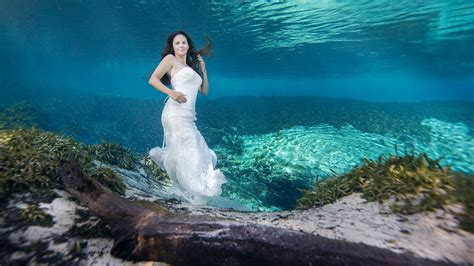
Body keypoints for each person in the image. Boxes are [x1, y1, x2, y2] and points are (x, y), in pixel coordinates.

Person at [147, 30, 226, 204]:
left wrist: (203, 69)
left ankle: (190, 191)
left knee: (198, 150)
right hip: (174, 114)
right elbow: (153, 79)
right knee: (192, 151)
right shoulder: (170, 60)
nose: (181, 45)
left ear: (188, 45)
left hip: (189, 117)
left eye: (184, 42)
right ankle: (196, 193)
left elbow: (204, 91)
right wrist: (171, 93)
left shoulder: (191, 68)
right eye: (177, 43)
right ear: (172, 47)